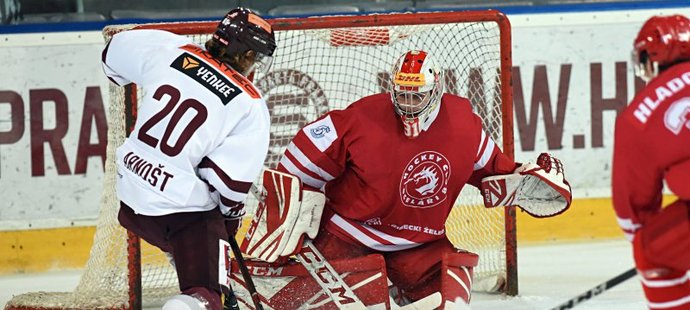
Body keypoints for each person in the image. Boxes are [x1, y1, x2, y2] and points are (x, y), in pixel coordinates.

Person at [240, 50, 572, 308]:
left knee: (451, 301)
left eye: (417, 95)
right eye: (402, 94)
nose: (408, 104)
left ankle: (398, 283)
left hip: (421, 246)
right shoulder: (362, 118)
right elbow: (299, 160)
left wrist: (525, 180)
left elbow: (492, 172)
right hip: (348, 239)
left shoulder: (464, 125)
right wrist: (290, 213)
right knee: (301, 301)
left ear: (437, 90)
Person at [101, 8, 276, 310]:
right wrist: (224, 231)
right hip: (179, 212)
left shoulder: (173, 50)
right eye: (255, 58)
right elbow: (230, 187)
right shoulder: (250, 104)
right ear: (247, 55)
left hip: (130, 195)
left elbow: (111, 55)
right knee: (206, 297)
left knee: (191, 233)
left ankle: (191, 262)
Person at [613, 14, 690, 310]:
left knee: (651, 251)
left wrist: (644, 250)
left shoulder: (639, 115)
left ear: (652, 57)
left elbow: (633, 208)